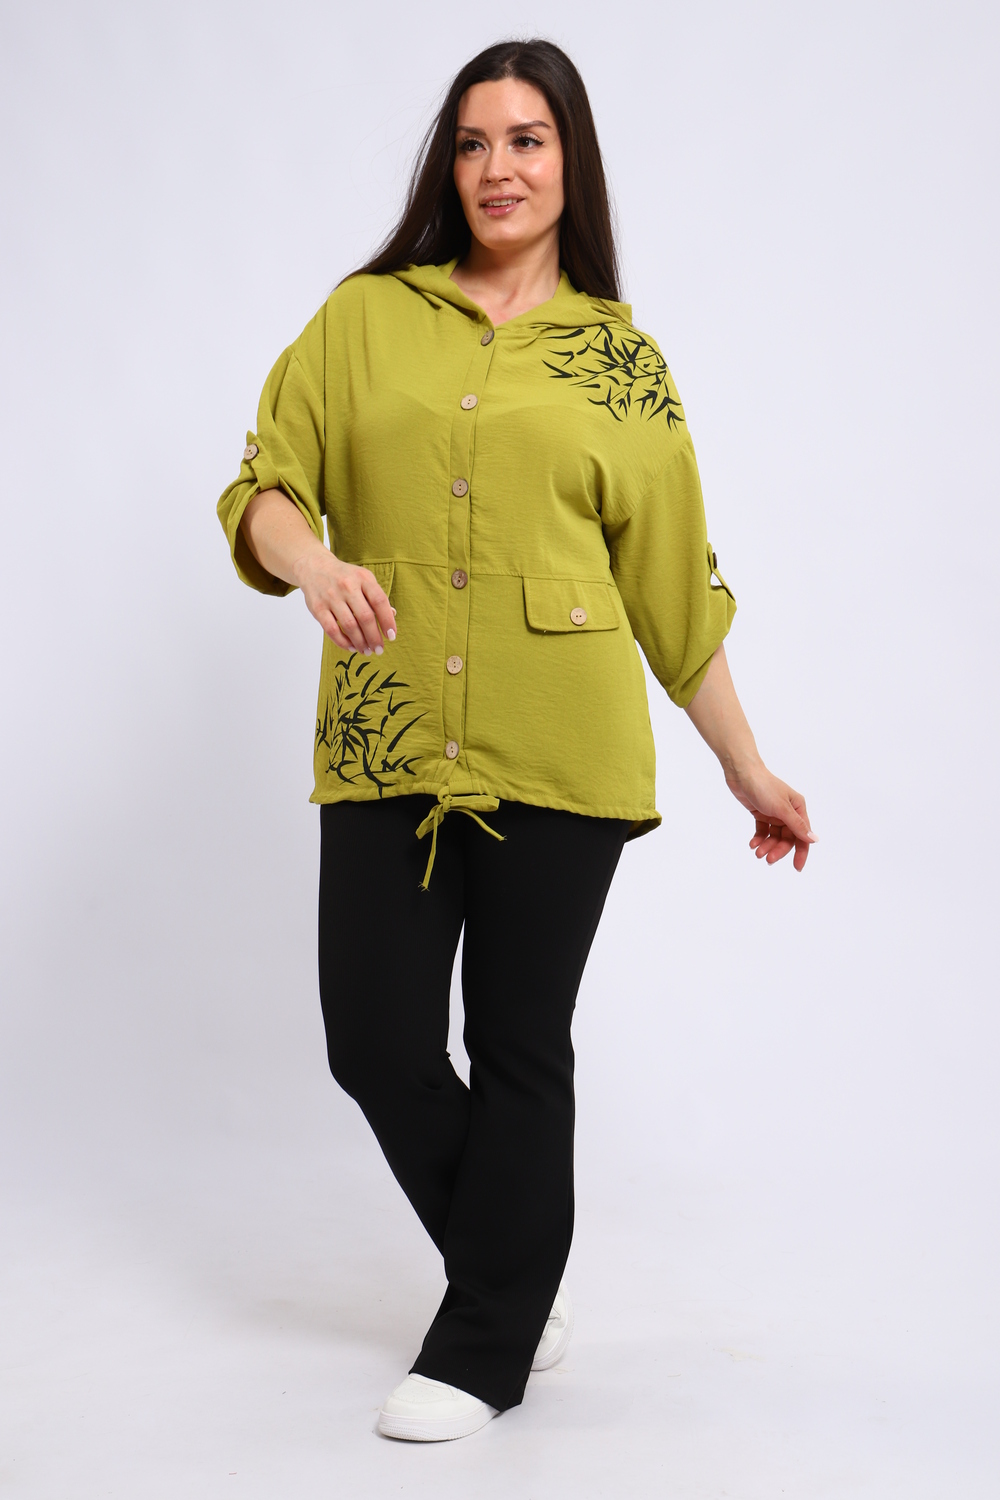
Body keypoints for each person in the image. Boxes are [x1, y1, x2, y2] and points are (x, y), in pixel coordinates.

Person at [217, 37, 815, 1443]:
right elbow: (263, 486)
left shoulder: (621, 364)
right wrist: (314, 564)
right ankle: (516, 1271)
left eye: (528, 140)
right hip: (386, 737)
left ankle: (486, 1343)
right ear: (449, 164)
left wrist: (746, 764)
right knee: (373, 1039)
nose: (498, 167)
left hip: (564, 744)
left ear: (569, 162)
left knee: (518, 1037)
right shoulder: (363, 319)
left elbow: (675, 591)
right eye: (474, 141)